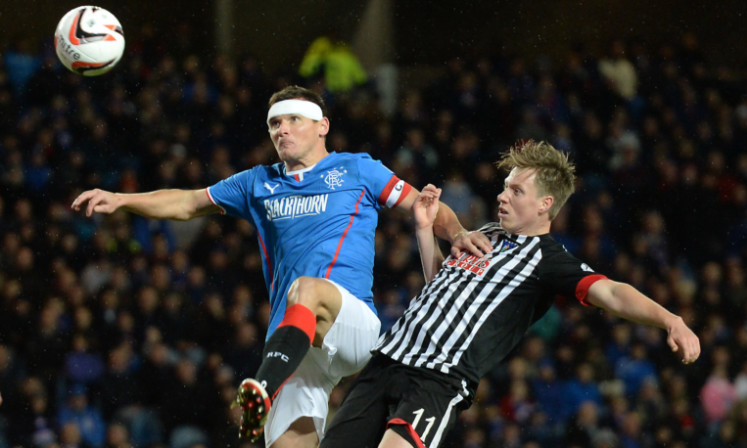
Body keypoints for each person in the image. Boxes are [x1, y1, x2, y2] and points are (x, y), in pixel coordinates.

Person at [71, 85, 491, 448]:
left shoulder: (357, 169)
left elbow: (426, 206)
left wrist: (456, 233)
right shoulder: (258, 182)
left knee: (306, 289)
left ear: (322, 125)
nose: (281, 130)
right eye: (274, 124)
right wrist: (124, 200)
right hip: (293, 344)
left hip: (352, 324)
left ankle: (262, 388)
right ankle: (269, 391)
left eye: (293, 120)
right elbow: (186, 202)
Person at [319, 140, 701, 448]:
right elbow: (441, 289)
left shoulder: (548, 260)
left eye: (516, 190)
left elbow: (614, 294)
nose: (502, 196)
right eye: (505, 187)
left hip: (437, 379)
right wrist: (423, 232)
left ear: (544, 204)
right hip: (388, 359)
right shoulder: (486, 233)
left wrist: (671, 319)